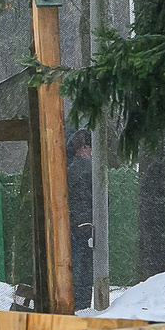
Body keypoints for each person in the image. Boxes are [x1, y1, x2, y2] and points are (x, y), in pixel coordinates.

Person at [66, 130, 96, 306]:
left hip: (76, 224)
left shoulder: (71, 171)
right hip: (85, 225)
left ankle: (79, 299)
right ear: (83, 148)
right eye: (88, 147)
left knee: (78, 263)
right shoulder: (87, 170)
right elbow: (97, 198)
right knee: (85, 265)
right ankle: (82, 302)